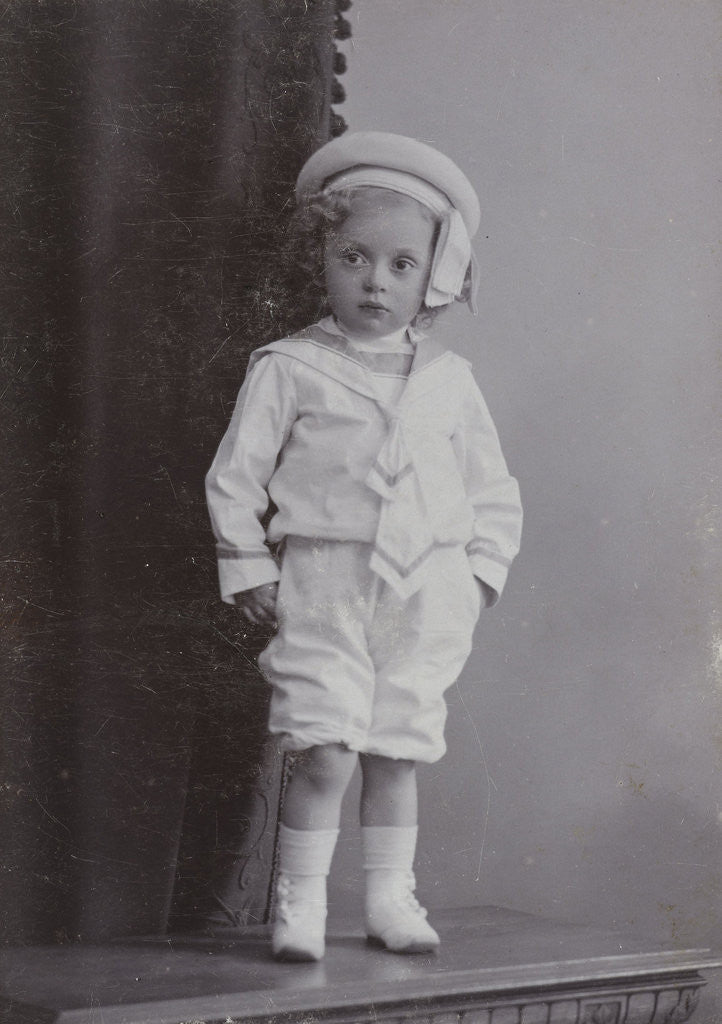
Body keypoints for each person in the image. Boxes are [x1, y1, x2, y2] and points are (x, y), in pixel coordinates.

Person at [205, 131, 522, 962]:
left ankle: (389, 899)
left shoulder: (449, 380)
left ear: (434, 277)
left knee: (398, 749)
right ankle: (299, 904)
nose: (376, 281)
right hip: (327, 578)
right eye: (355, 257)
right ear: (325, 258)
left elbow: (491, 486)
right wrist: (248, 565)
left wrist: (479, 574)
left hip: (426, 587)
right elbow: (236, 477)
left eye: (401, 265)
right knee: (324, 748)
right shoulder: (289, 366)